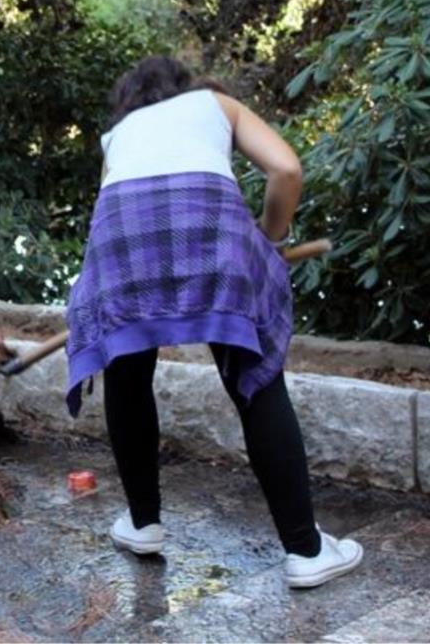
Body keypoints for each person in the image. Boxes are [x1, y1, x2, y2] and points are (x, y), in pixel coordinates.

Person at [64, 56, 364, 589]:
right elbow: (287, 170)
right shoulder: (215, 103)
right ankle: (306, 550)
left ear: (130, 98)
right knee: (255, 377)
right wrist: (268, 243)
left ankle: (143, 523)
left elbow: (116, 208)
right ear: (185, 86)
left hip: (121, 244)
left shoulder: (119, 134)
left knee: (128, 372)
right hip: (212, 231)